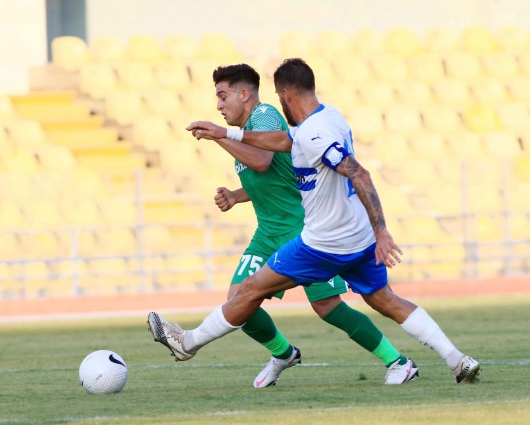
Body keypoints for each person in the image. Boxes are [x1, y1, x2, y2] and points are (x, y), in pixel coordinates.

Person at [153, 58, 480, 384]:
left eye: (279, 97)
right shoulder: (329, 117)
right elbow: (287, 143)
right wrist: (225, 135)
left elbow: (358, 172)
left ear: (286, 95)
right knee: (384, 300)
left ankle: (188, 343)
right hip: (356, 235)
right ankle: (457, 360)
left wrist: (383, 231)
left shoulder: (297, 128)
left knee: (253, 291)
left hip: (322, 242)